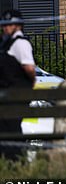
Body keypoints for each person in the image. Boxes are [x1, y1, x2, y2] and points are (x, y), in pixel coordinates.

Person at [0, 9, 36, 160]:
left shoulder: (21, 43)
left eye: (9, 24)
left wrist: (32, 81)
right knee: (6, 129)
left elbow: (29, 67)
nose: (5, 28)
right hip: (7, 95)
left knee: (12, 129)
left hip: (16, 95)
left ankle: (15, 162)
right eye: (4, 25)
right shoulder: (7, 43)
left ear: (18, 25)